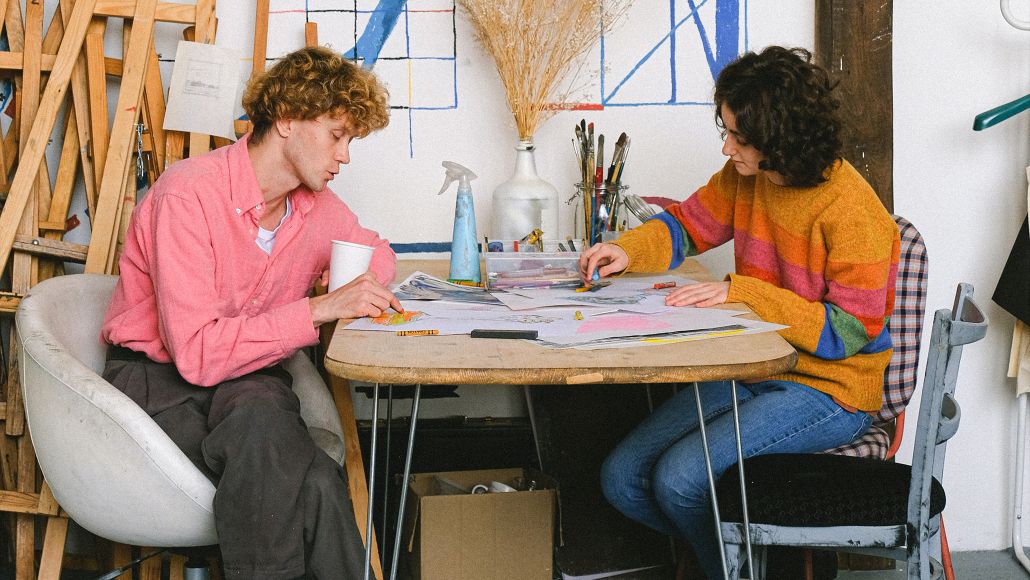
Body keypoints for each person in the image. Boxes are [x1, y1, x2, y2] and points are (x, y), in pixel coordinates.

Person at [580, 46, 899, 578]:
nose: (727, 148)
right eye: (726, 132)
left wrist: (746, 293)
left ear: (782, 140)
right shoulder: (745, 177)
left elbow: (847, 333)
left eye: (740, 138)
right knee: (622, 478)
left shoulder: (852, 211)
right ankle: (753, 564)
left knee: (679, 480)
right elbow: (685, 225)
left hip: (832, 391)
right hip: (754, 370)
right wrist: (626, 250)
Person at [100, 46, 402, 579]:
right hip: (157, 385)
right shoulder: (187, 196)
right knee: (300, 465)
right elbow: (197, 356)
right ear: (286, 118)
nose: (345, 156)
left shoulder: (314, 207)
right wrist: (319, 308)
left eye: (351, 141)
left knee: (276, 434)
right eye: (337, 135)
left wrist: (348, 278)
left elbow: (377, 252)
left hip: (248, 387)